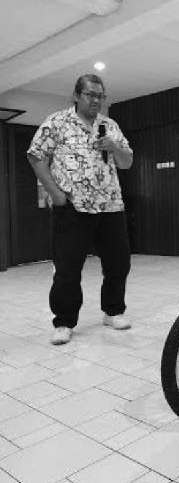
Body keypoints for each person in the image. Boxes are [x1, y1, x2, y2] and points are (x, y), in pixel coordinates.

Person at [27, 74, 133, 345]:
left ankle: (113, 311)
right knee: (67, 268)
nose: (96, 100)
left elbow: (127, 162)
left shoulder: (110, 125)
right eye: (91, 95)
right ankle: (64, 321)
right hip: (73, 207)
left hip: (110, 205)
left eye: (100, 96)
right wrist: (55, 193)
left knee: (119, 263)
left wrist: (114, 146)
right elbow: (35, 156)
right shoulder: (57, 122)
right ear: (76, 96)